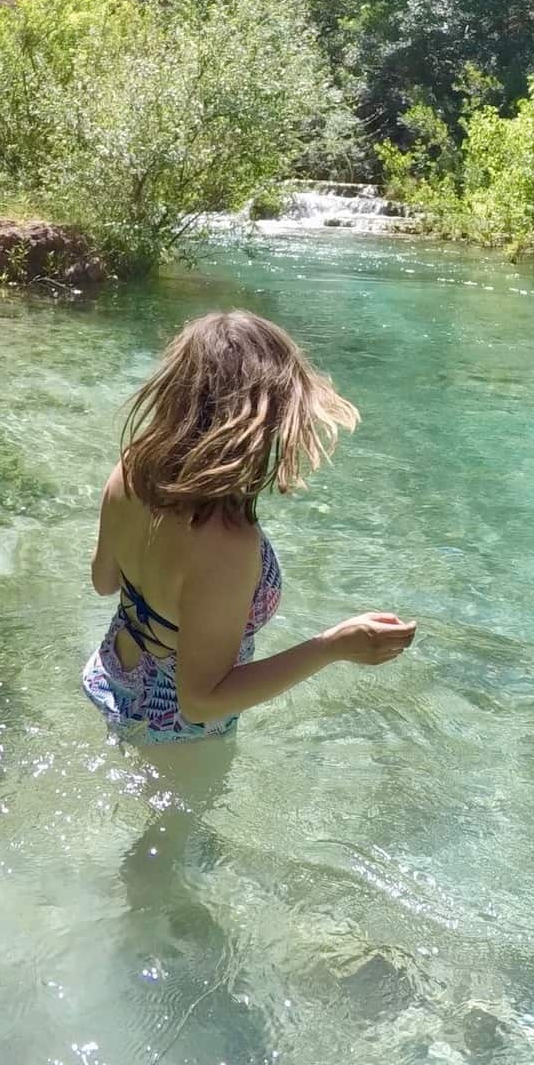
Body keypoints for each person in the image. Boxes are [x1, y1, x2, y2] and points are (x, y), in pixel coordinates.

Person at [83, 310, 416, 744]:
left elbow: (104, 582)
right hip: (175, 733)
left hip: (109, 676)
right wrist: (333, 646)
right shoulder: (227, 543)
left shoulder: (130, 470)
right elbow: (200, 701)